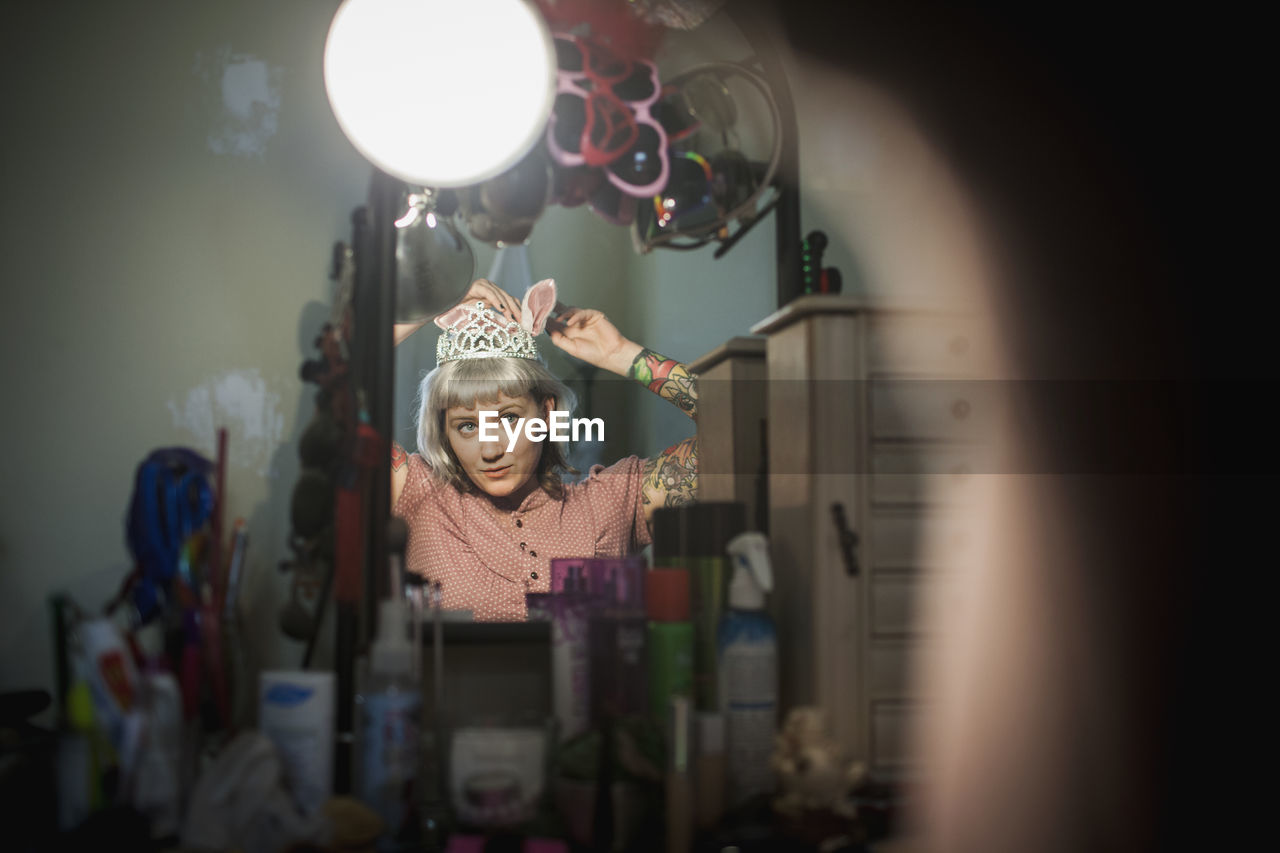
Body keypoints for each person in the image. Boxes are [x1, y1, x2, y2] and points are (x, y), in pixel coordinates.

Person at [389, 277, 698, 621]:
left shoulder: (612, 503)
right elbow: (339, 379)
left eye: (508, 419)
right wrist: (432, 301)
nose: (490, 449)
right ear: (445, 431)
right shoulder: (420, 493)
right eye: (467, 426)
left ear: (546, 413)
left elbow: (744, 426)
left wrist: (621, 354)